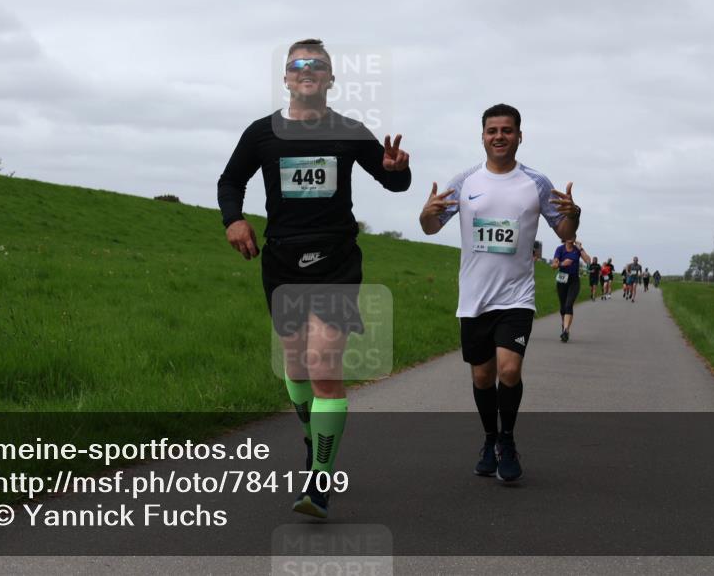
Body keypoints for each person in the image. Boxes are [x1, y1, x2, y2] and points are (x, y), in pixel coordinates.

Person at [217, 38, 411, 518]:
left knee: (323, 366)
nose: (308, 71)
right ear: (286, 77)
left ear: (329, 79)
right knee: (296, 368)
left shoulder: (348, 131)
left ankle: (320, 481)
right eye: (298, 64)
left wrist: (396, 172)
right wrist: (233, 219)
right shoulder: (262, 133)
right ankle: (313, 444)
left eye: (318, 65)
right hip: (281, 261)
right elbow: (230, 182)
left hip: (335, 261)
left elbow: (392, 181)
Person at [419, 103, 580, 483]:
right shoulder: (465, 182)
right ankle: (489, 438)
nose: (499, 137)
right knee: (482, 376)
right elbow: (429, 227)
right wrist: (426, 213)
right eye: (492, 131)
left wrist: (575, 212)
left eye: (507, 130)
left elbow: (565, 231)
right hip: (475, 297)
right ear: (483, 137)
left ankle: (507, 440)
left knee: (509, 369)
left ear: (519, 136)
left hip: (516, 297)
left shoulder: (536, 183)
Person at [551, 240, 591, 341]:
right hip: (562, 280)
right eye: (569, 234)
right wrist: (561, 264)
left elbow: (588, 261)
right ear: (565, 237)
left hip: (574, 280)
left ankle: (566, 330)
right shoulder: (560, 249)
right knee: (563, 308)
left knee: (569, 305)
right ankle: (564, 325)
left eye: (573, 235)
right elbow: (553, 266)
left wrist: (580, 248)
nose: (572, 237)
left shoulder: (577, 250)